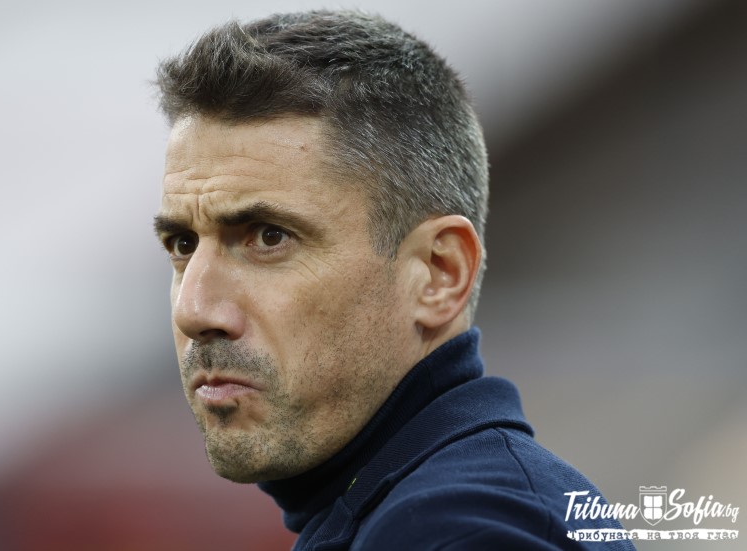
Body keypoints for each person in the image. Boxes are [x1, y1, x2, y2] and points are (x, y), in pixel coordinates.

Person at [151, 10, 634, 550]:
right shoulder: (414, 508)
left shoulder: (457, 530)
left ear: (438, 274)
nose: (193, 310)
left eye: (269, 237)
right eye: (183, 244)